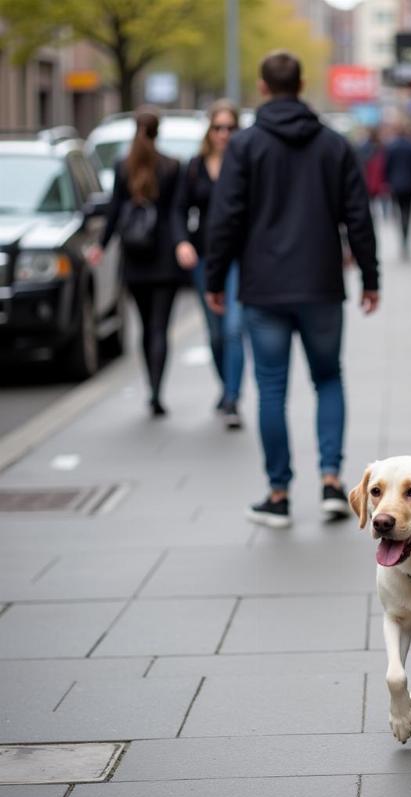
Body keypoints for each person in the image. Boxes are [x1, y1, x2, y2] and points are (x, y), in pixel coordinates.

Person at [205, 50, 379, 529]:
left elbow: (225, 220)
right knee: (328, 378)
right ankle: (330, 484)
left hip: (263, 288)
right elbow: (358, 216)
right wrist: (370, 277)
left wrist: (215, 279)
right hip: (321, 284)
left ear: (262, 87)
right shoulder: (332, 145)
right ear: (301, 83)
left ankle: (279, 494)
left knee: (271, 388)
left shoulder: (244, 146)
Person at [89, 108, 182, 417]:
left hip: (136, 258)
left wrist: (101, 246)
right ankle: (157, 389)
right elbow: (175, 212)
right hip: (165, 257)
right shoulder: (171, 166)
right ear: (158, 132)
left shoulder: (122, 167)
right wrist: (182, 243)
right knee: (160, 328)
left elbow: (115, 210)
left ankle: (150, 388)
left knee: (145, 327)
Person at [173, 99, 245, 429]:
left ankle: (232, 397)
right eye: (218, 127)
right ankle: (225, 386)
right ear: (209, 130)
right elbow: (178, 209)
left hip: (240, 256)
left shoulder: (246, 162)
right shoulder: (195, 166)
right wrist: (182, 243)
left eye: (230, 127)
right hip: (205, 256)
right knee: (215, 333)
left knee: (233, 330)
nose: (224, 134)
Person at [385, 122, 411, 259]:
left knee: (400, 212)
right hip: (410, 184)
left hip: (396, 185)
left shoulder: (391, 147)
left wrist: (387, 182)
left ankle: (403, 237)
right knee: (407, 212)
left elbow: (387, 167)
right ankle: (405, 237)